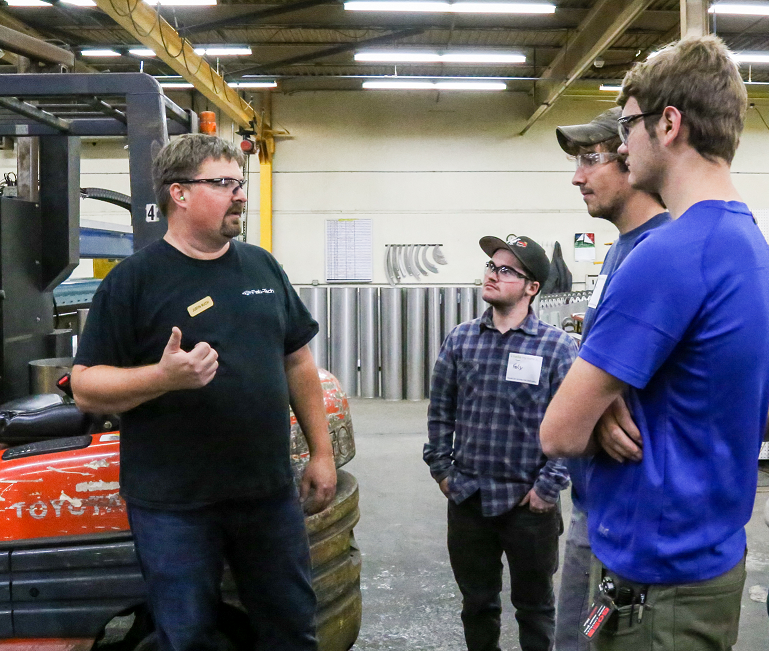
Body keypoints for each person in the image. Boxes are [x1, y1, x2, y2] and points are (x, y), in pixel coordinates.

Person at [540, 35, 769, 651]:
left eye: (629, 124)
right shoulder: (750, 249)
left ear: (669, 124)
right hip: (708, 564)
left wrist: (601, 391)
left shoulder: (668, 256)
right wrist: (621, 386)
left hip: (653, 587)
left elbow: (559, 433)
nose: (620, 143)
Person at [71, 134, 336, 651]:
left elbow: (298, 361)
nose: (239, 195)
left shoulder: (262, 267)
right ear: (180, 194)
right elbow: (85, 387)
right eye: (223, 183)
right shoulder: (133, 281)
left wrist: (321, 454)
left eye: (240, 183)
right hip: (174, 505)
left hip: (267, 494)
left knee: (291, 628)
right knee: (187, 635)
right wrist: (163, 378)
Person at [552, 106, 670, 651]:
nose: (578, 177)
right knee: (574, 637)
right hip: (592, 504)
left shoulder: (659, 253)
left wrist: (589, 407)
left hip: (632, 517)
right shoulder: (619, 250)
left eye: (590, 160)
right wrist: (593, 402)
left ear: (629, 158)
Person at [424, 234, 577, 651]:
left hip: (529, 504)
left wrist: (547, 489)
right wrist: (443, 471)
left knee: (535, 607)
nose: (493, 274)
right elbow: (441, 411)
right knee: (477, 603)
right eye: (492, 266)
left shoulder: (558, 347)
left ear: (532, 287)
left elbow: (574, 425)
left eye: (507, 270)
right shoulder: (461, 339)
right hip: (469, 497)